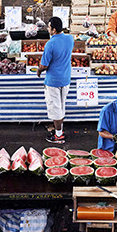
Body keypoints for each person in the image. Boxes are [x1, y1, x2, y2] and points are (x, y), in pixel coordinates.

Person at [38, 16, 73, 144]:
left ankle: (58, 135)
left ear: (53, 29)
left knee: (56, 109)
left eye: (48, 27)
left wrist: (38, 71)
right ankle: (60, 130)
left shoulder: (50, 44)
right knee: (61, 106)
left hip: (53, 81)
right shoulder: (70, 39)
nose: (47, 29)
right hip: (66, 79)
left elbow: (44, 65)